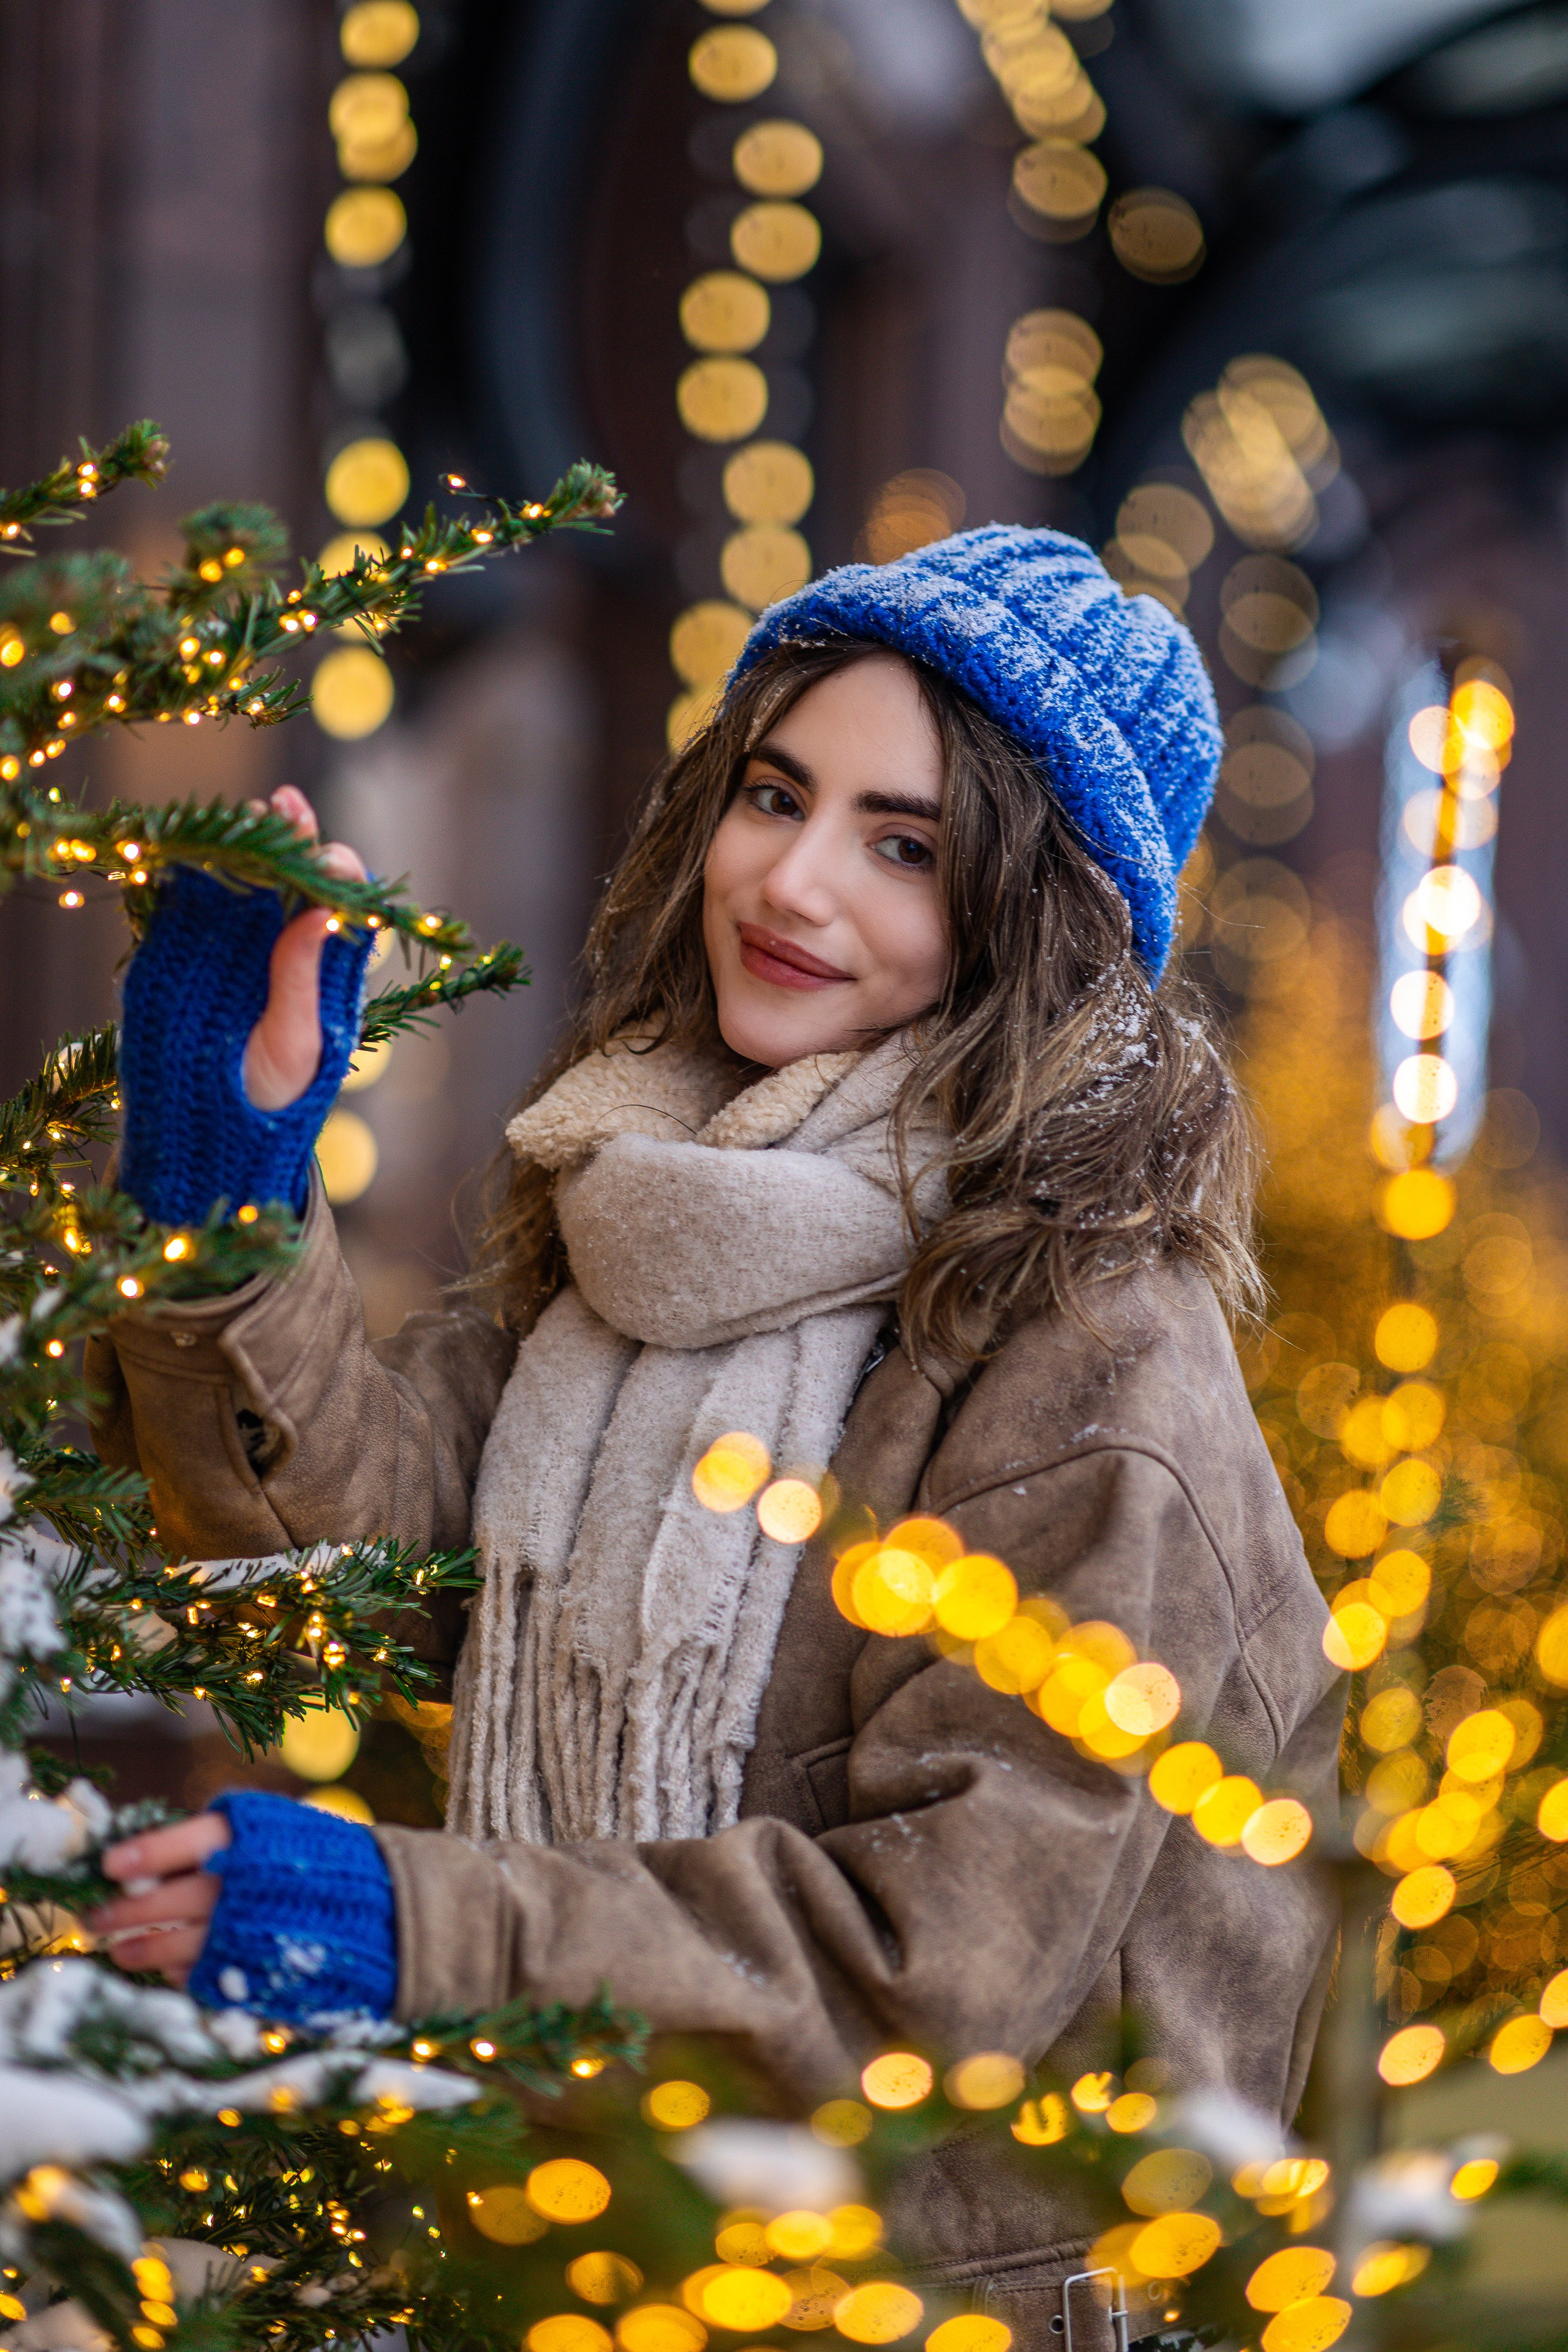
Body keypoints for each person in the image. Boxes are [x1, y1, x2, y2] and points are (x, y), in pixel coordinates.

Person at [88, 528, 1341, 2352]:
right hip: (610, 2245)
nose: (794, 881)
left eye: (903, 846)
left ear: (1034, 921)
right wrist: (229, 1170)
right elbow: (346, 1552)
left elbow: (935, 1978)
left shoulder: (1094, 1354)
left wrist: (406, 1928)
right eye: (775, 794)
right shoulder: (646, 1202)